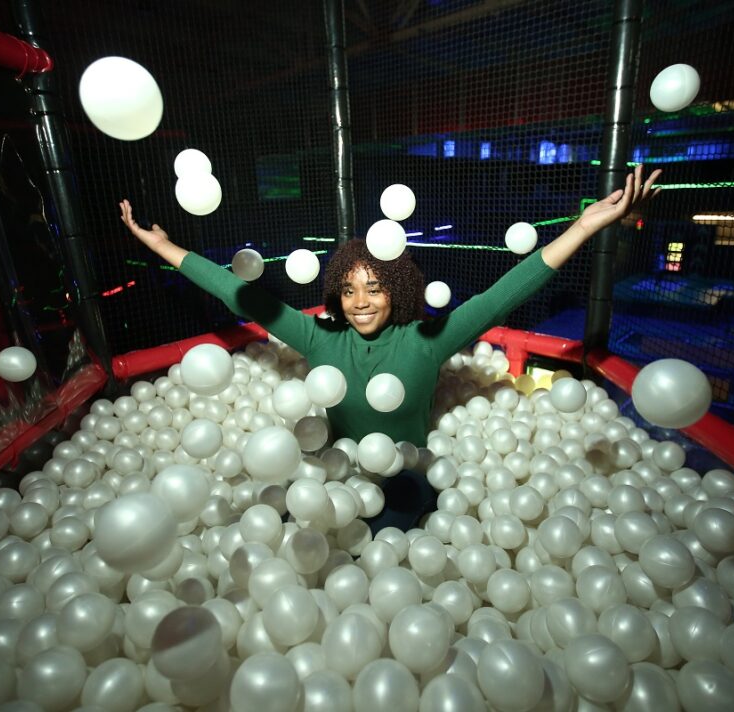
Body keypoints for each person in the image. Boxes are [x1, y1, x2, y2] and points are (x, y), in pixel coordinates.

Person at [120, 164, 661, 531]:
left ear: (396, 291)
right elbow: (240, 294)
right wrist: (165, 246)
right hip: (333, 475)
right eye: (349, 290)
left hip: (406, 478)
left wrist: (584, 227)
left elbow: (502, 295)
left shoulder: (427, 340)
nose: (360, 302)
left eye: (374, 288)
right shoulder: (319, 338)